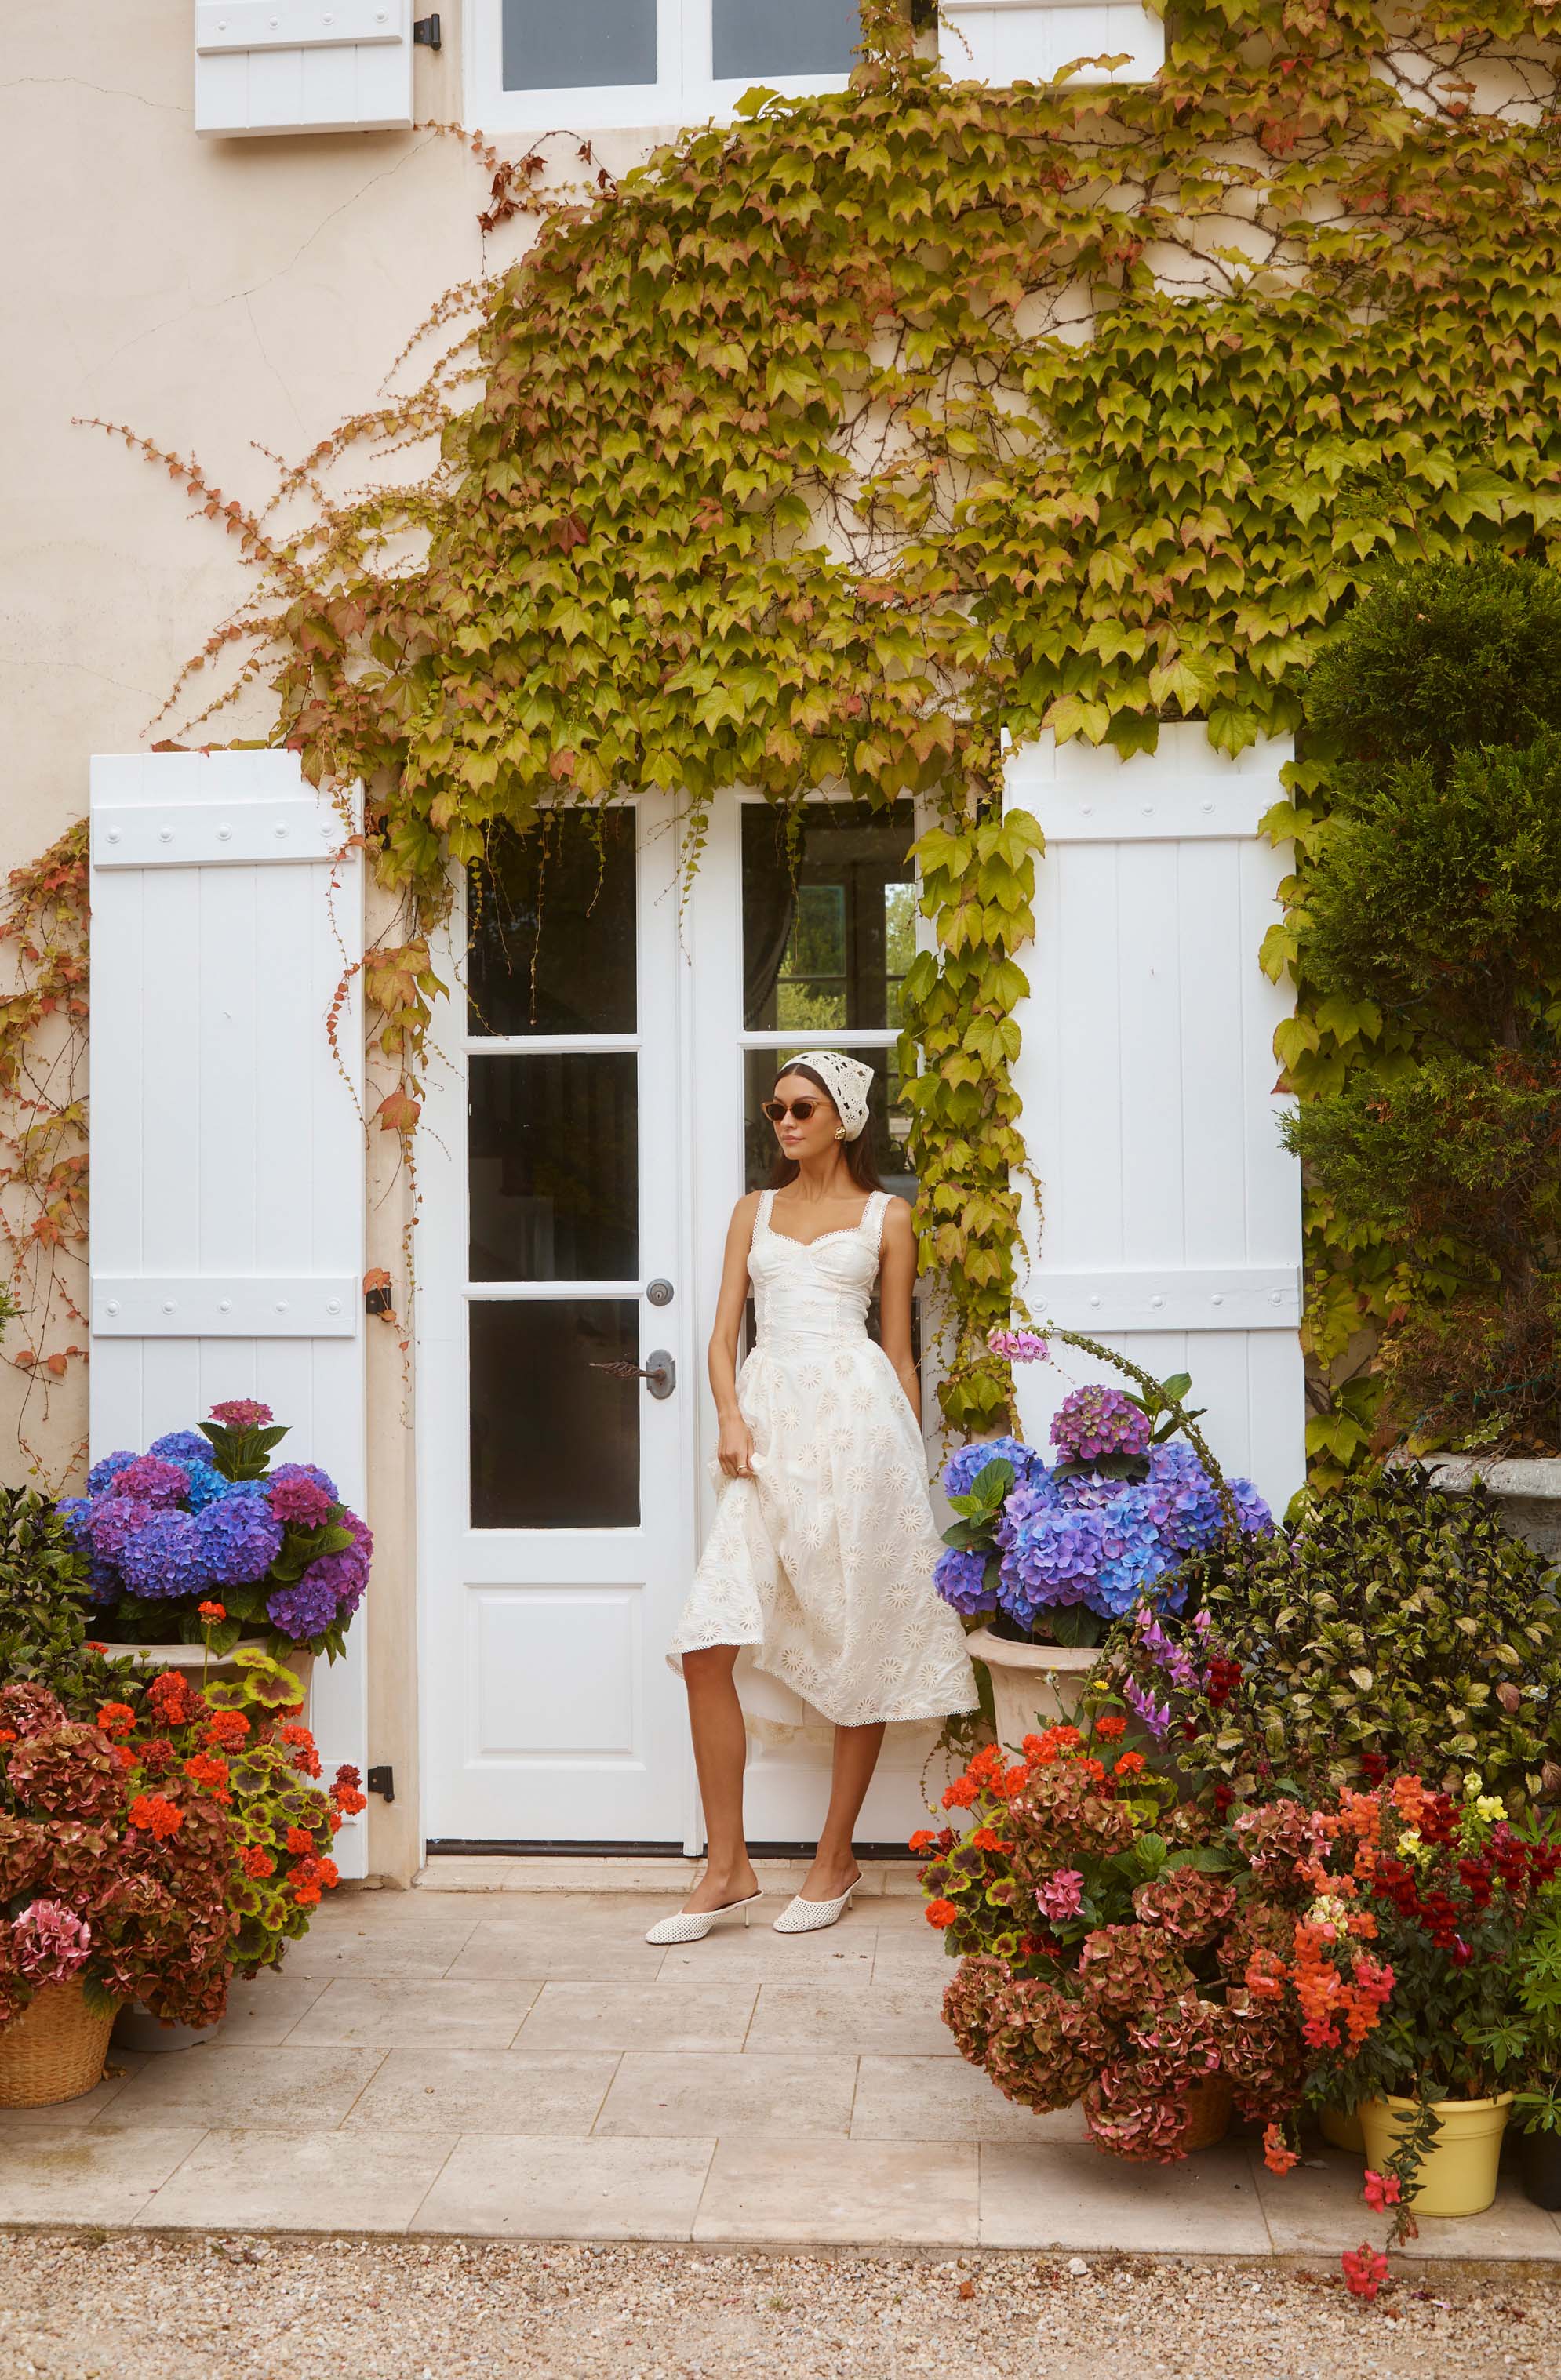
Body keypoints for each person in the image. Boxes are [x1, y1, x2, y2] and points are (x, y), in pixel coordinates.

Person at [650, 1049, 977, 1946]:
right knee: (707, 1643)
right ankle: (727, 1865)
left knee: (856, 1633)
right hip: (766, 1434)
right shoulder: (752, 1212)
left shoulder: (887, 1215)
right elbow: (720, 1337)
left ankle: (834, 1856)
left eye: (802, 1106)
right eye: (775, 1107)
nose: (785, 1121)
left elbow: (901, 1351)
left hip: (861, 1434)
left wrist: (906, 1465)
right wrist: (728, 1416)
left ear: (845, 1118)